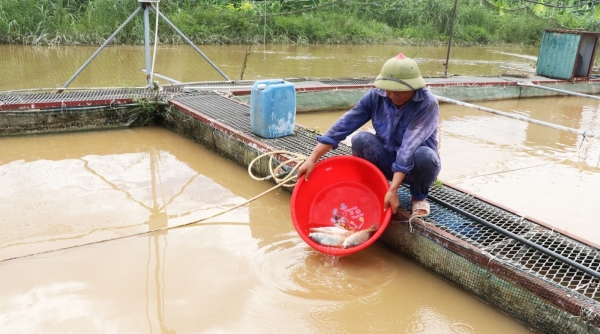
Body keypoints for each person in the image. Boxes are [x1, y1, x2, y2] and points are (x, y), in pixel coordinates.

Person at [297, 53, 441, 217]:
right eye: (389, 90)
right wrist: (312, 159)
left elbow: (409, 146)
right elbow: (345, 124)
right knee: (360, 139)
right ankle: (374, 188)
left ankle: (418, 197)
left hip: (416, 169)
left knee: (425, 156)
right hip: (388, 158)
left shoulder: (427, 103)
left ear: (414, 87)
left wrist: (393, 190)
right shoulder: (376, 96)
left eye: (399, 91)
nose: (393, 95)